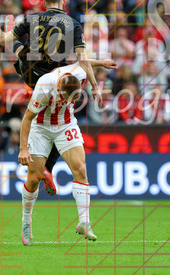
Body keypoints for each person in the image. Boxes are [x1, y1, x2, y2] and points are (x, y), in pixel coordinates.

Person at [0, 0, 110, 197]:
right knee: (62, 121)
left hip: (32, 77)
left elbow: (1, 40)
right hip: (55, 79)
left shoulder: (32, 18)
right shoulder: (72, 24)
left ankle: (44, 168)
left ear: (43, 2)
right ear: (64, 2)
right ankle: (48, 167)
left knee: (18, 48)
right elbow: (82, 61)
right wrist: (95, 87)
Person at [18, 62, 113, 245]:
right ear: (59, 90)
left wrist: (102, 63)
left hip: (65, 124)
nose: (70, 101)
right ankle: (26, 222)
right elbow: (27, 118)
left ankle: (84, 222)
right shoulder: (45, 85)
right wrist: (23, 149)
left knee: (80, 169)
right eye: (67, 98)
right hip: (41, 127)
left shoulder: (78, 73)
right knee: (34, 178)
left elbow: (85, 61)